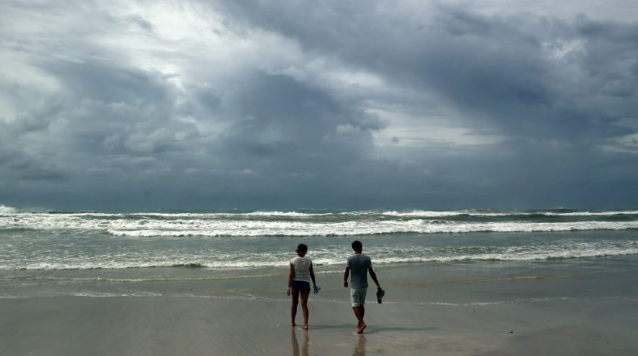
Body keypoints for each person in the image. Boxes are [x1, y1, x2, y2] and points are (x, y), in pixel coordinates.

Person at [344, 240, 383, 334]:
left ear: (353, 248)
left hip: (354, 286)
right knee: (361, 305)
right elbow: (371, 272)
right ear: (361, 247)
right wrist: (378, 285)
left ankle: (361, 322)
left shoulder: (350, 258)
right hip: (364, 286)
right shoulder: (367, 258)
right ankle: (359, 323)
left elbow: (347, 271)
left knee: (354, 305)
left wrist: (345, 281)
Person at [287, 243, 318, 330]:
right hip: (305, 283)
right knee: (304, 304)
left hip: (295, 283)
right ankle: (306, 324)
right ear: (305, 251)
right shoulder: (309, 260)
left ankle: (293, 322)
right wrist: (314, 284)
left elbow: (291, 275)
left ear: (298, 251)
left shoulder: (292, 261)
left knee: (294, 303)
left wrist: (288, 287)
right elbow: (312, 273)